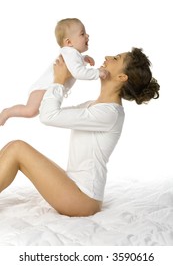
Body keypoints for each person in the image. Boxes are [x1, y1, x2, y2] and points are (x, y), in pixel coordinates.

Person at [0, 47, 160, 217]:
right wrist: (66, 78)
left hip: (84, 200)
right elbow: (49, 110)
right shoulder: (94, 106)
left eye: (115, 58)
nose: (106, 56)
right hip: (75, 187)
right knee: (12, 147)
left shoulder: (109, 114)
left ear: (122, 77)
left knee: (18, 148)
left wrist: (59, 80)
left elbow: (49, 116)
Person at [0, 18, 108, 126]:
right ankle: (7, 112)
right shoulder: (70, 53)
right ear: (69, 42)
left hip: (48, 88)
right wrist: (97, 73)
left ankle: (7, 112)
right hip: (43, 88)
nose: (87, 36)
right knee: (30, 111)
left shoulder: (71, 53)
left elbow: (73, 65)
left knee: (33, 112)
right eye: (82, 34)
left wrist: (83, 59)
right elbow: (78, 72)